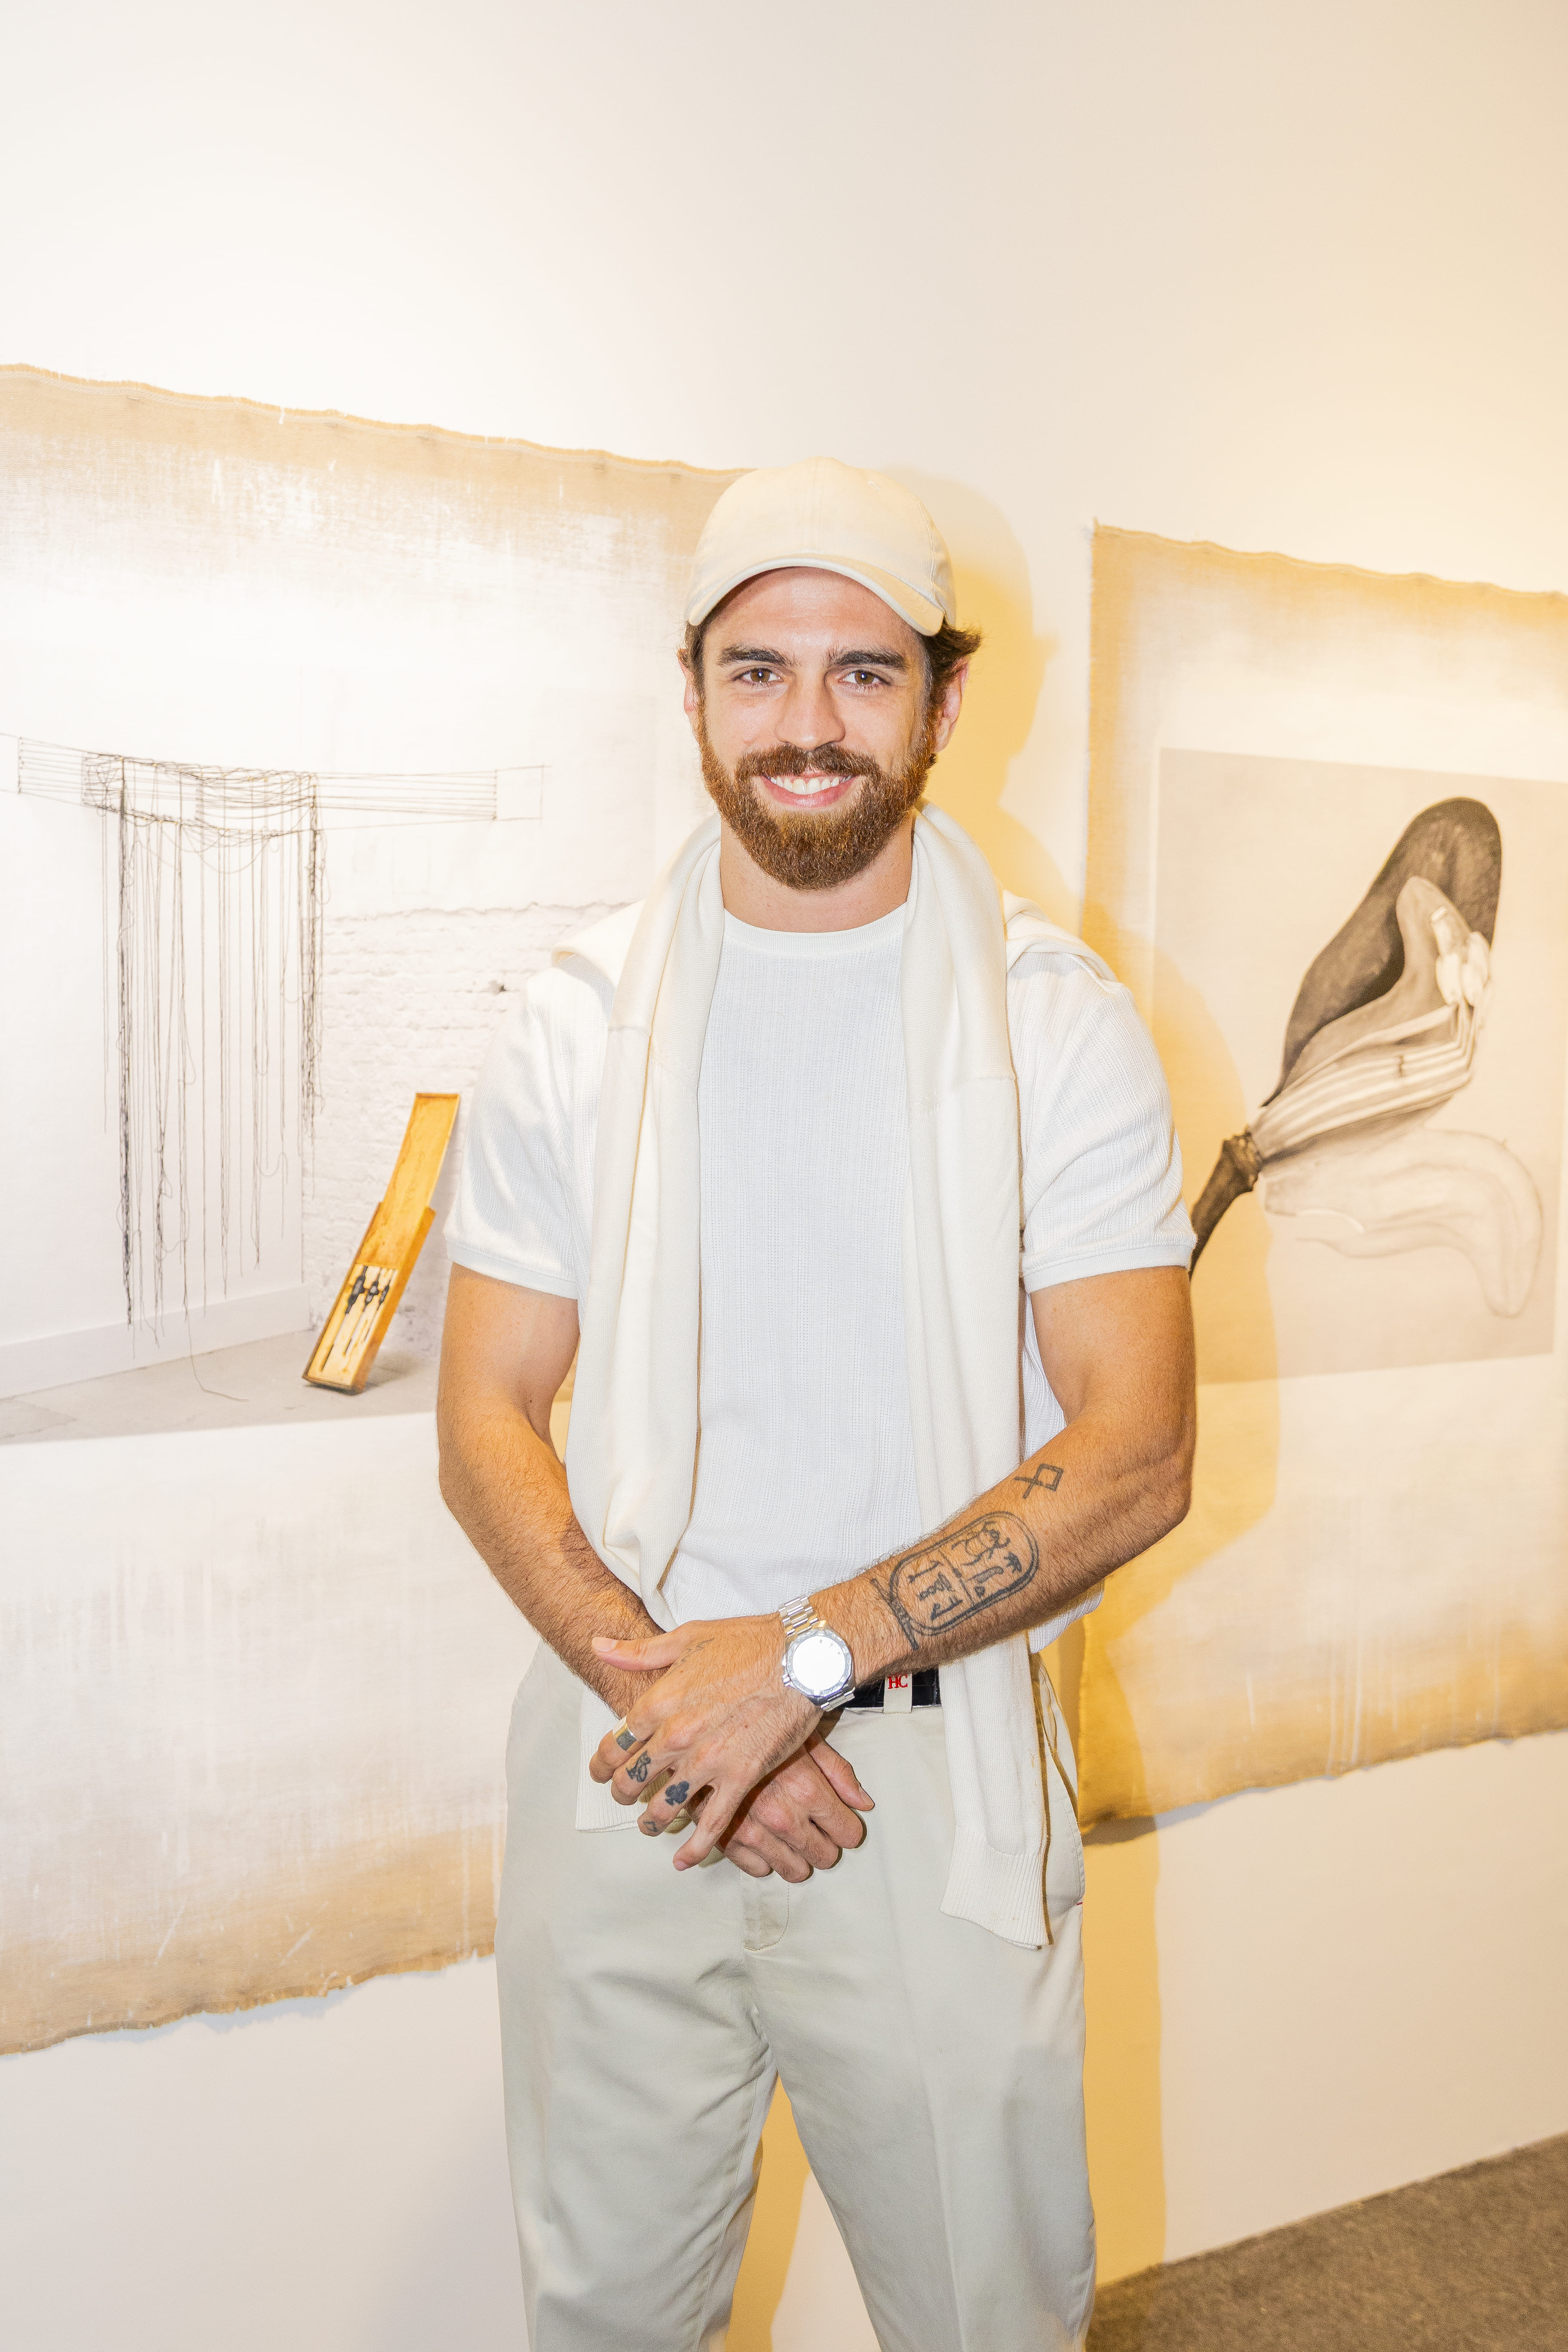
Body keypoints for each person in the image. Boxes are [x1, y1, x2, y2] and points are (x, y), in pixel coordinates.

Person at [437, 456, 1196, 2352]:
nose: (806, 725)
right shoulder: (569, 1022)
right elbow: (486, 1416)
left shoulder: (1054, 1023)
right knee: (606, 2321)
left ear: (945, 700)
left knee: (984, 2318)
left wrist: (799, 1671)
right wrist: (680, 1701)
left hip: (930, 1765)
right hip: (627, 1744)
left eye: (864, 673)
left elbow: (1136, 1451)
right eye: (756, 671)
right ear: (693, 691)